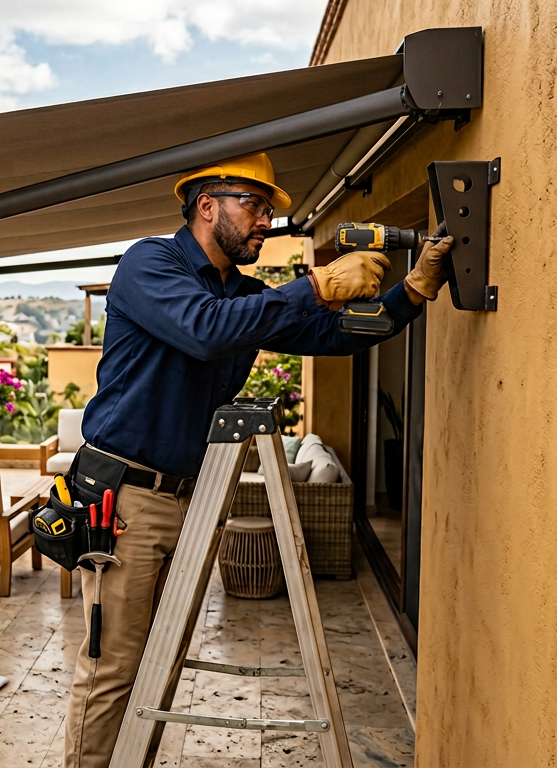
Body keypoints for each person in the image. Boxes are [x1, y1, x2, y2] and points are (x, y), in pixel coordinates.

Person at [63, 152, 451, 768]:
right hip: (126, 499)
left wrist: (412, 292)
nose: (266, 220)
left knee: (158, 661)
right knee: (112, 668)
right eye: (256, 205)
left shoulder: (240, 293)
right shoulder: (148, 263)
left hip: (186, 496)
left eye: (269, 209)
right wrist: (317, 285)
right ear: (207, 205)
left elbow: (333, 337)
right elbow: (204, 329)